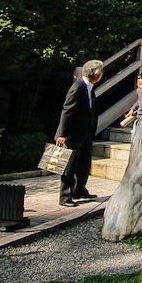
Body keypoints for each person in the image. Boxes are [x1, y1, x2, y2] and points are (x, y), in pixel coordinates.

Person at [55, 59, 103, 206]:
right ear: (96, 74)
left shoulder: (90, 87)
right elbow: (67, 111)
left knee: (84, 163)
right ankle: (65, 196)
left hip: (85, 132)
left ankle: (80, 189)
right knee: (69, 165)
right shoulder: (78, 87)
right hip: (73, 133)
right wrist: (62, 134)